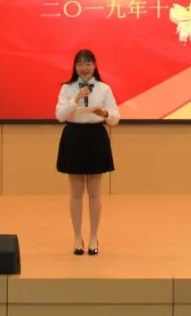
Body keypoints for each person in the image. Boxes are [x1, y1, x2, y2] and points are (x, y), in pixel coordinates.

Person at [55, 48, 120, 256]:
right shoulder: (67, 88)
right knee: (76, 193)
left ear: (95, 65)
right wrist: (75, 98)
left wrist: (105, 113)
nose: (84, 68)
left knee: (94, 193)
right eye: (80, 64)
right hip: (74, 137)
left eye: (88, 63)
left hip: (95, 137)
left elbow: (115, 118)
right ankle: (77, 237)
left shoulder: (104, 88)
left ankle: (93, 237)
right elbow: (60, 116)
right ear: (75, 67)